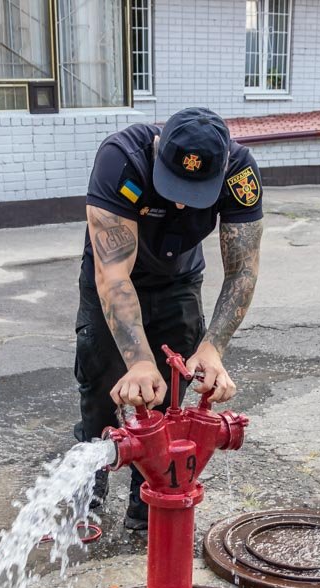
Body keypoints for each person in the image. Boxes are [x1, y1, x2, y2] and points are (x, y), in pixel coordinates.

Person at [73, 107, 264, 532]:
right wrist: (138, 360)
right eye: (174, 187)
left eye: (195, 193)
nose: (180, 201)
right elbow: (114, 274)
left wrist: (212, 348)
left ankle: (151, 498)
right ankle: (91, 476)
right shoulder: (121, 158)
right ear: (159, 152)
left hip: (178, 279)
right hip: (115, 276)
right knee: (104, 382)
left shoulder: (238, 173)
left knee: (170, 389)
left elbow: (242, 271)